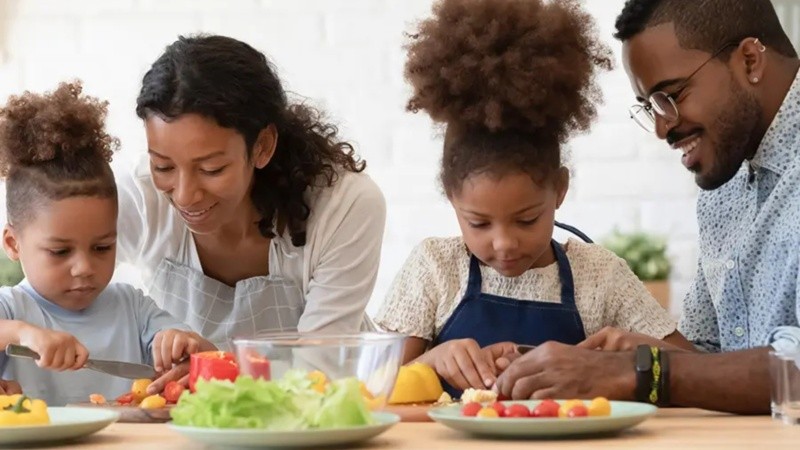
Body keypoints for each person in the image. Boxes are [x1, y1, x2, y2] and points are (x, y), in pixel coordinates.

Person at [374, 0, 694, 398]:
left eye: (526, 220)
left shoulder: (599, 277)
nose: (504, 242)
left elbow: (693, 368)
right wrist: (431, 361)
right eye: (479, 223)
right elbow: (370, 384)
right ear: (452, 200)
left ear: (559, 189)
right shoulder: (435, 270)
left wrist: (621, 363)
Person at [495, 0, 800, 414]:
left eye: (671, 96)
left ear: (749, 60)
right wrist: (637, 357)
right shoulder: (723, 189)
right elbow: (713, 361)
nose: (661, 128)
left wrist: (641, 372)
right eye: (650, 107)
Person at [117, 35, 386, 356]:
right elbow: (55, 279)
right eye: (163, 166)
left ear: (262, 146)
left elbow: (320, 368)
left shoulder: (344, 204)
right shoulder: (141, 197)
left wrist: (217, 368)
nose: (185, 196)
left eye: (212, 169)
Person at [0, 82, 214, 406]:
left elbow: (206, 357)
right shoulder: (12, 309)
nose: (85, 268)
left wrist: (182, 344)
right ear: (13, 244)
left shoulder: (134, 308)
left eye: (102, 247)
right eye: (60, 251)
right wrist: (23, 334)